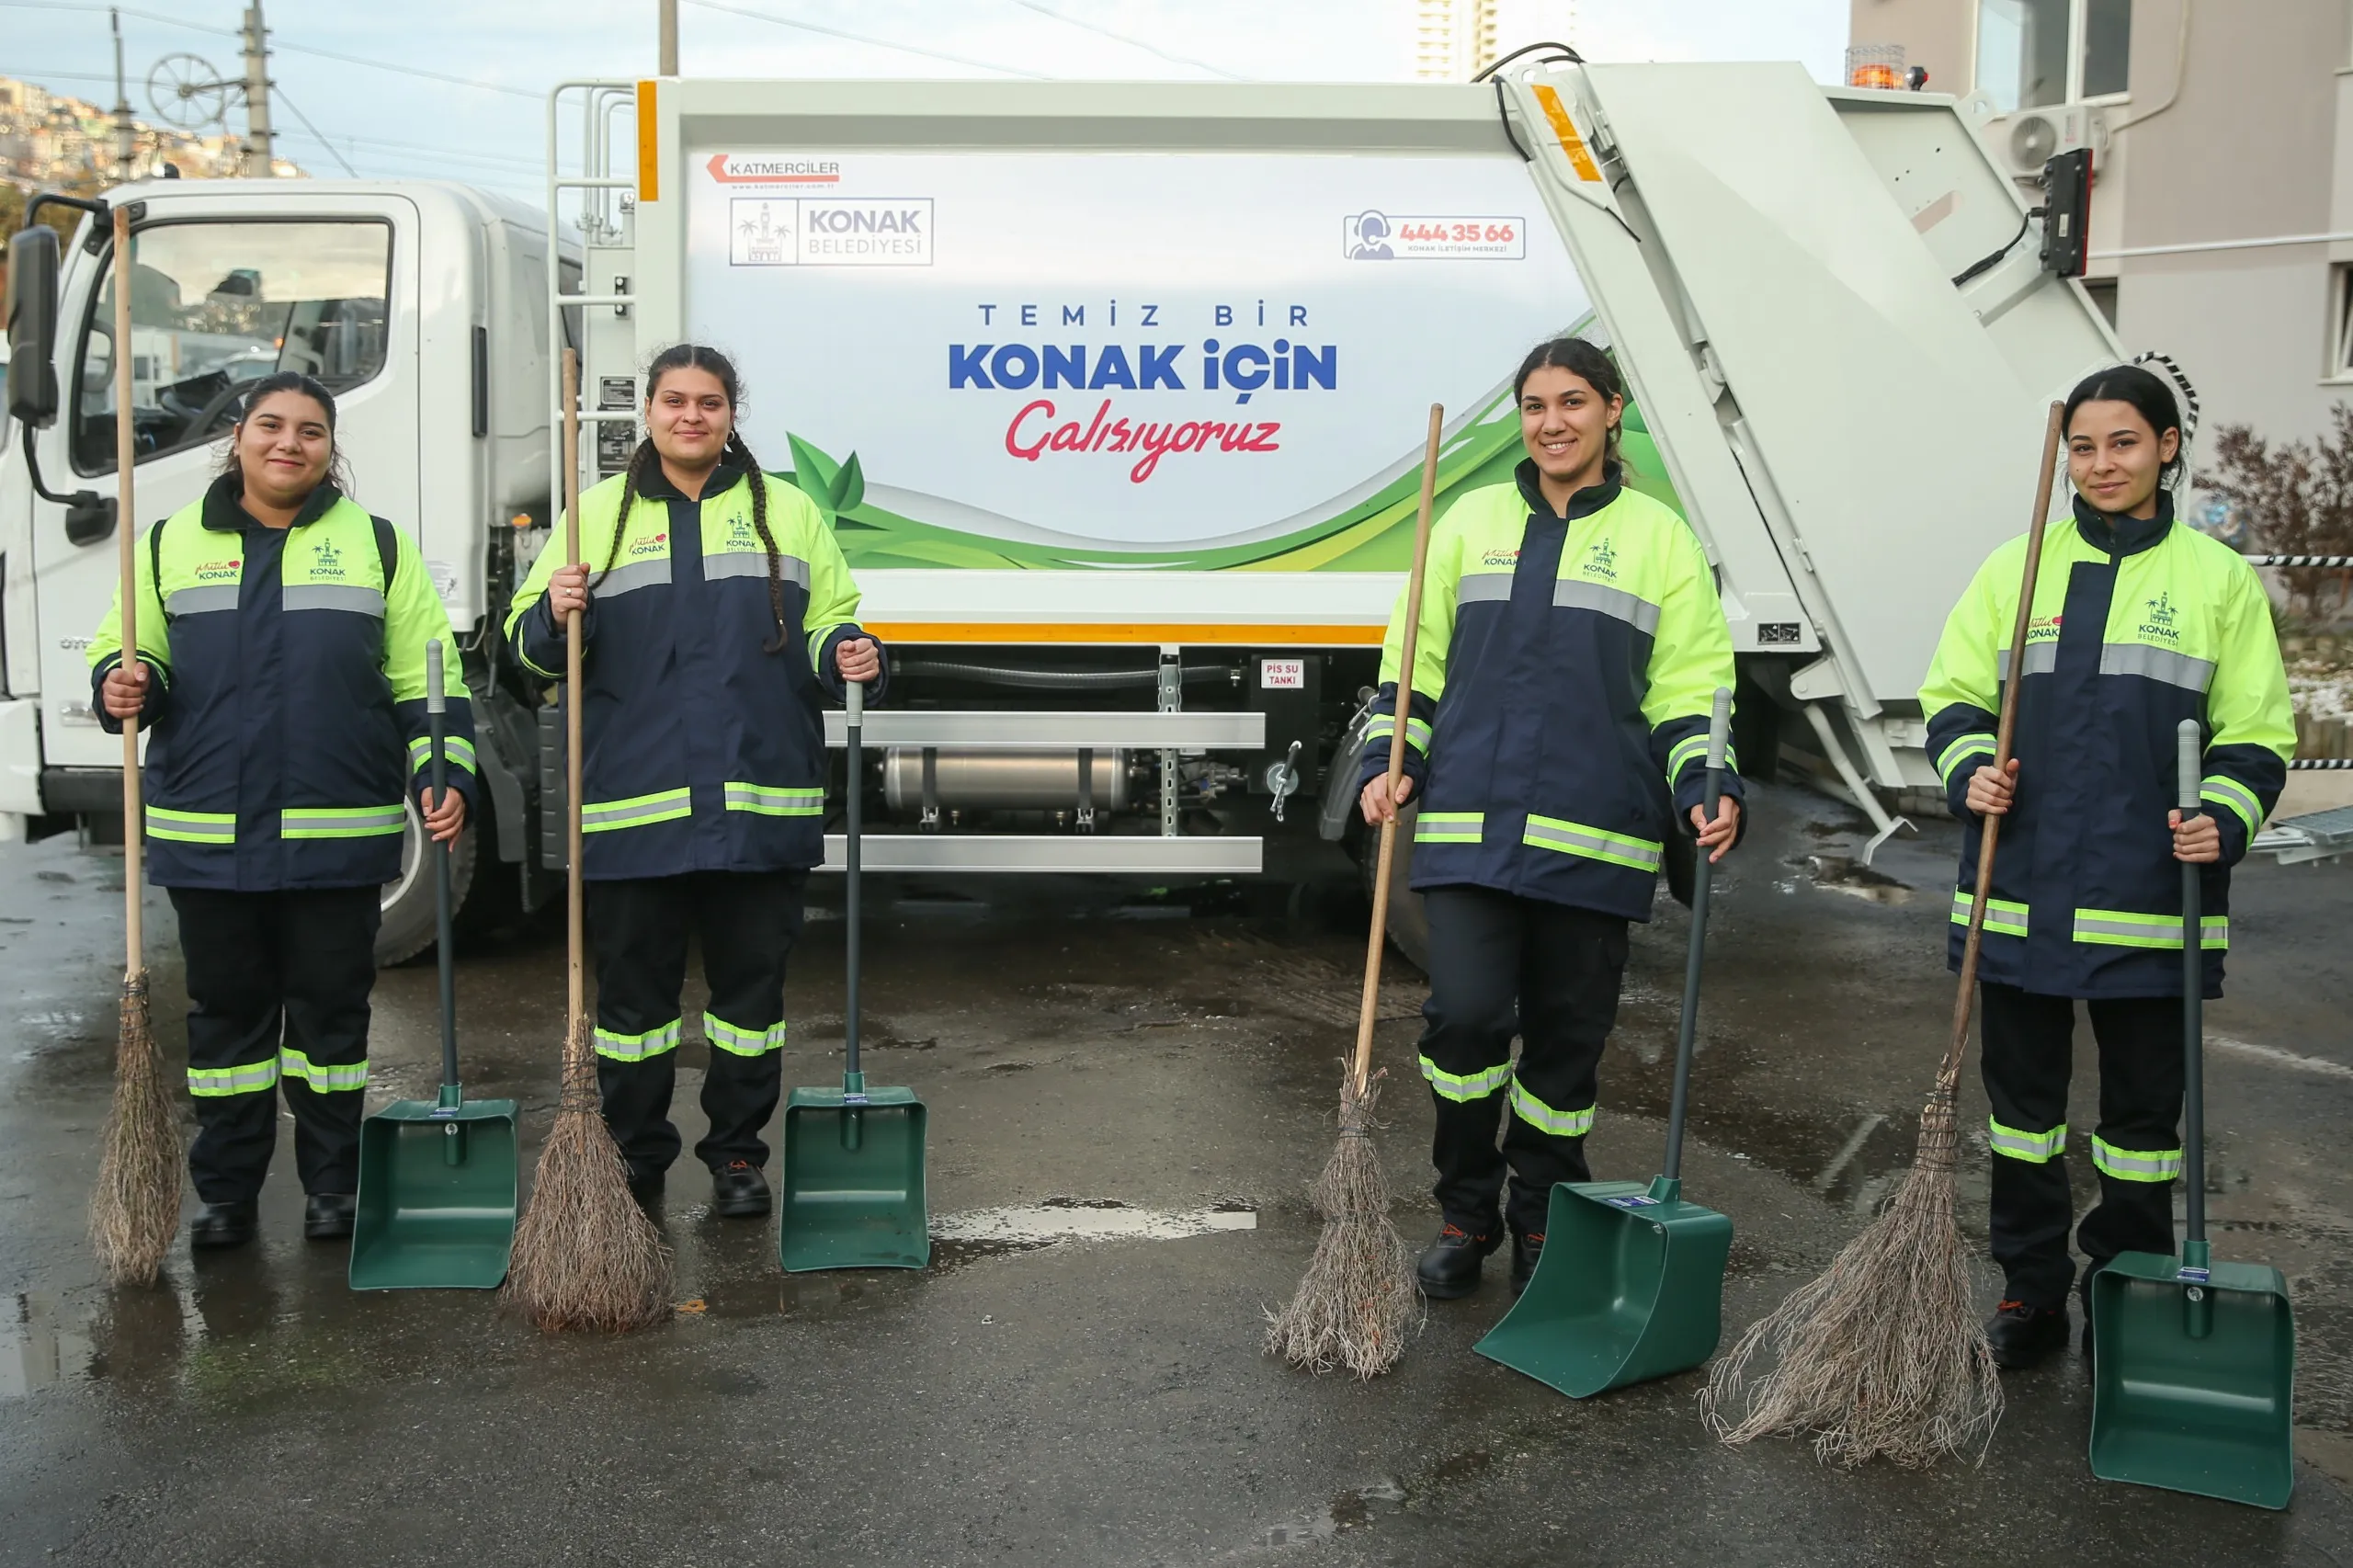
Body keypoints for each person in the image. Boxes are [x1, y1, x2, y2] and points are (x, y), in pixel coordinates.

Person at [1920, 364, 2293, 1369]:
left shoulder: (2214, 580)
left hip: (2148, 904)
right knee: (2023, 1122)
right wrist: (1969, 772)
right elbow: (1951, 695)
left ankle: (2127, 1293)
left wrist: (2224, 813)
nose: (2099, 464)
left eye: (2122, 442)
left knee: (2140, 1130)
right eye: (2080, 447)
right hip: (2020, 896)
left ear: (2167, 446)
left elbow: (2257, 733)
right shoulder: (2015, 570)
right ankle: (2028, 1294)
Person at [1359, 335, 1744, 1300]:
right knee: (1464, 1023)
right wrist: (1386, 756)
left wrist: (1707, 784)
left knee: (1568, 1044)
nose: (1552, 422)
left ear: (1612, 410)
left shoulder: (1660, 539)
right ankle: (1463, 1210)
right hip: (1467, 835)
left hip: (1596, 835)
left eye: (1572, 401)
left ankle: (1541, 1211)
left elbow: (1691, 685)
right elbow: (1415, 662)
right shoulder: (1467, 521)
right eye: (1534, 405)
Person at [90, 371, 478, 1248]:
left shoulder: (376, 546)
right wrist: (122, 686)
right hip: (208, 838)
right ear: (237, 437)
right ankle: (226, 1196)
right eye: (270, 426)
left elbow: (428, 679)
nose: (287, 443)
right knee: (226, 1026)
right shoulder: (164, 545)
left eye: (310, 431)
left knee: (331, 1025)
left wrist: (444, 768)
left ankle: (332, 1188)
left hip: (335, 841)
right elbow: (132, 656)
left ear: (329, 450)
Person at [505, 344, 881, 1217]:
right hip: (638, 814)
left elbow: (834, 623)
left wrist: (854, 653)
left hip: (760, 806)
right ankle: (636, 1158)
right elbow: (526, 650)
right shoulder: (592, 517)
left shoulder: (787, 512)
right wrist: (555, 614)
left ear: (730, 414)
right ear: (648, 412)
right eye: (674, 401)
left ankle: (738, 1158)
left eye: (709, 403)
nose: (691, 416)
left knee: (751, 1005)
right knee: (634, 1011)